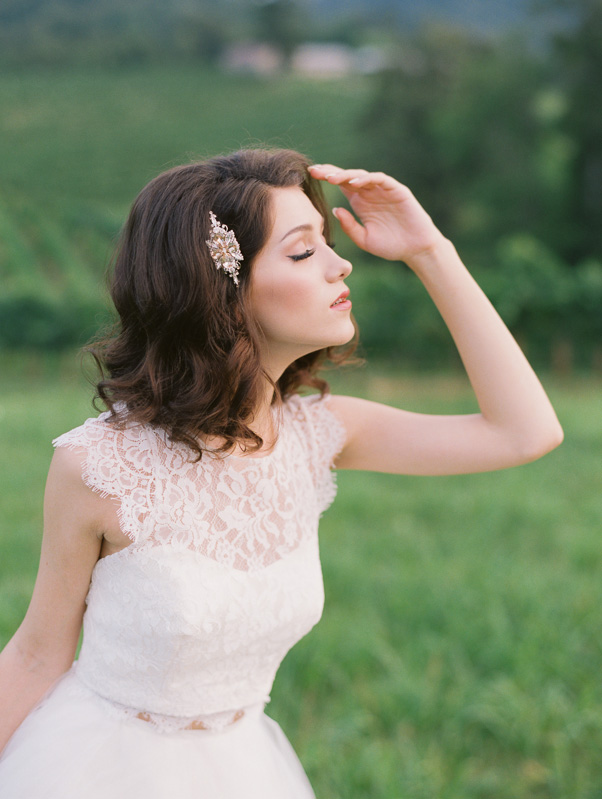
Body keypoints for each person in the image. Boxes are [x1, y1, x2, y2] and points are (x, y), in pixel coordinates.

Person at [0, 148, 563, 798]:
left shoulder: (320, 433)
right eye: (303, 252)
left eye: (327, 242)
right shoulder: (97, 464)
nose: (340, 262)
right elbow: (37, 655)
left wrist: (428, 249)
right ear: (221, 289)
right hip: (95, 770)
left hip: (244, 769)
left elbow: (526, 431)